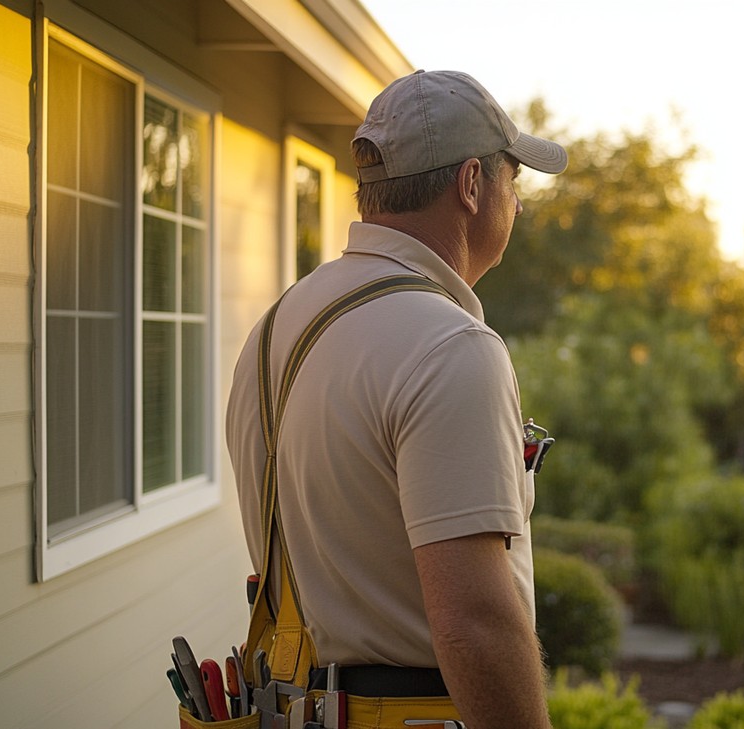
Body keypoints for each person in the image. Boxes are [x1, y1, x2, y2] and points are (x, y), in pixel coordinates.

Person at [225, 70, 567, 729]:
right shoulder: (451, 347)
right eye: (512, 180)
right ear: (472, 184)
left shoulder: (277, 325)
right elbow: (477, 626)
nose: (517, 205)